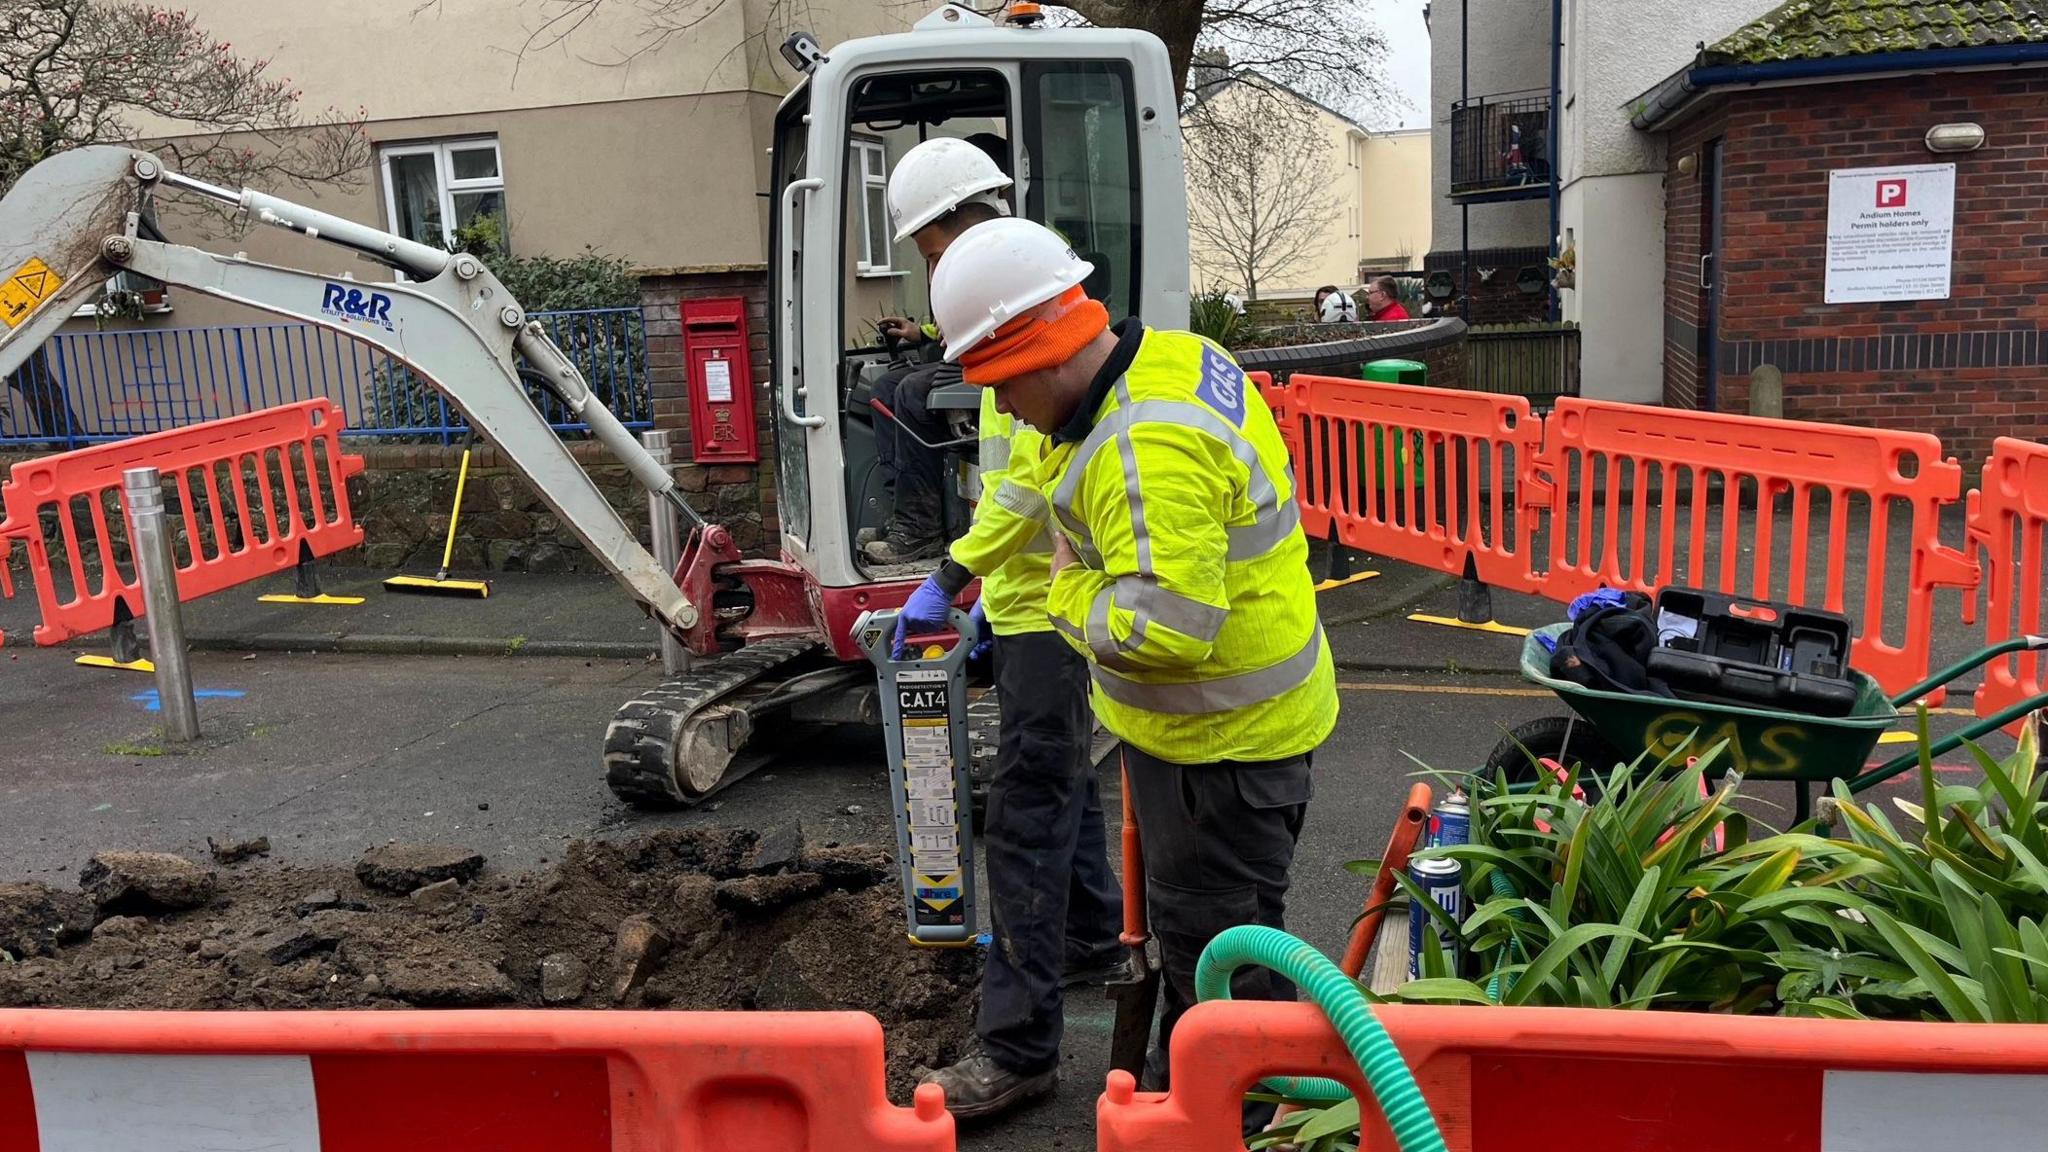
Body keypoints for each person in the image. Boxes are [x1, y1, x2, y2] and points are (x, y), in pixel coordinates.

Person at [924, 217, 1338, 1100]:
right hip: (1220, 734)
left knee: (1220, 970)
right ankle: (1188, 1087)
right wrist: (962, 571)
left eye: (998, 383)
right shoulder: (1164, 360)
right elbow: (1036, 475)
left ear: (1044, 351)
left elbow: (1164, 628)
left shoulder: (1141, 448)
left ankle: (1233, 1110)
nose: (997, 407)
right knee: (1210, 950)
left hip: (1224, 750)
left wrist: (1068, 593)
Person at [885, 146, 1125, 1121]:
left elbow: (1023, 482)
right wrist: (988, 586)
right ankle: (1089, 940)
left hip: (1048, 609)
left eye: (921, 245)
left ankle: (1019, 1047)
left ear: (942, 234)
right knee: (1061, 777)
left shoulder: (1006, 312)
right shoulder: (1020, 298)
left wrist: (951, 575)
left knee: (1023, 814)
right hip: (1033, 599)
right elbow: (1018, 478)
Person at [864, 134, 1015, 565]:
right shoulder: (988, 249)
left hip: (990, 356)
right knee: (889, 387)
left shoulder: (1010, 255)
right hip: (969, 353)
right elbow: (955, 324)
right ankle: (905, 513)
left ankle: (920, 530)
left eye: (935, 259)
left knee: (911, 393)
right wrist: (924, 333)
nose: (934, 275)